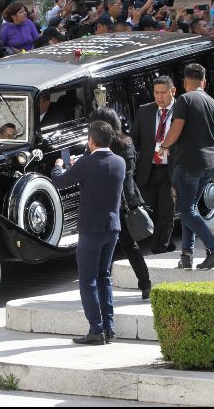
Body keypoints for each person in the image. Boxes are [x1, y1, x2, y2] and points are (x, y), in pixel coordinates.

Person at [51, 121, 125, 344]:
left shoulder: (86, 163)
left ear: (91, 141)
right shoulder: (119, 162)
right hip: (112, 228)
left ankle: (96, 329)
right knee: (104, 277)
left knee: (88, 280)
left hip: (91, 229)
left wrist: (58, 166)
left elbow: (60, 181)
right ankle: (109, 328)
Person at [158, 63, 214, 270]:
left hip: (188, 163)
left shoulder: (184, 100)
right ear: (203, 82)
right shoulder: (213, 103)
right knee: (191, 208)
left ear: (185, 82)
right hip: (210, 164)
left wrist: (164, 145)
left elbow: (177, 128)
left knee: (185, 210)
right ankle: (186, 255)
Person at [92, 107, 151, 300]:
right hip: (127, 200)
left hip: (107, 203)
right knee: (130, 246)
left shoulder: (101, 147)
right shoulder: (128, 144)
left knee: (102, 247)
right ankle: (145, 283)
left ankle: (100, 289)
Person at [131, 75, 177, 255]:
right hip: (148, 169)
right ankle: (166, 243)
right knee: (149, 209)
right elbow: (134, 139)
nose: (159, 97)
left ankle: (160, 248)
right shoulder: (145, 111)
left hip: (170, 169)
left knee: (166, 211)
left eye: (163, 93)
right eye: (156, 93)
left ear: (173, 91)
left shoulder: (182, 110)